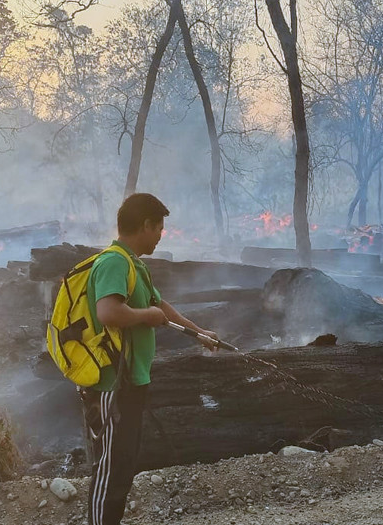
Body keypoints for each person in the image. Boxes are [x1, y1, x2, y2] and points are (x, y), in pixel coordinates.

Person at [82, 193, 217, 525]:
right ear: (145, 225)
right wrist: (145, 316)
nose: (161, 236)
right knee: (111, 470)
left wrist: (198, 332)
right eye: (159, 229)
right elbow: (108, 312)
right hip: (111, 384)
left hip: (130, 381)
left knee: (123, 466)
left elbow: (161, 306)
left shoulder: (133, 265)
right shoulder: (113, 262)